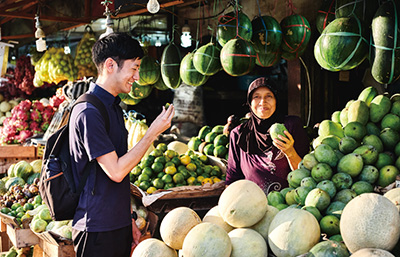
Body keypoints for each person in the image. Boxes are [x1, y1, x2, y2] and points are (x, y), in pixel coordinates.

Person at [69, 32, 174, 257]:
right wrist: (152, 133)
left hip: (117, 225)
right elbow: (115, 171)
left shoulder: (113, 107)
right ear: (110, 65)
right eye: (134, 68)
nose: (136, 77)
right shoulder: (89, 112)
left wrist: (129, 219)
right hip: (96, 229)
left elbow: (118, 178)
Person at [225, 77, 309, 194]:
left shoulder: (291, 126)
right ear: (250, 102)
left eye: (269, 96)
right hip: (252, 205)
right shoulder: (238, 134)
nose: (262, 102)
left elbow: (306, 177)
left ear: (276, 100)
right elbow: (232, 180)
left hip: (288, 205)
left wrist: (290, 152)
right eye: (256, 97)